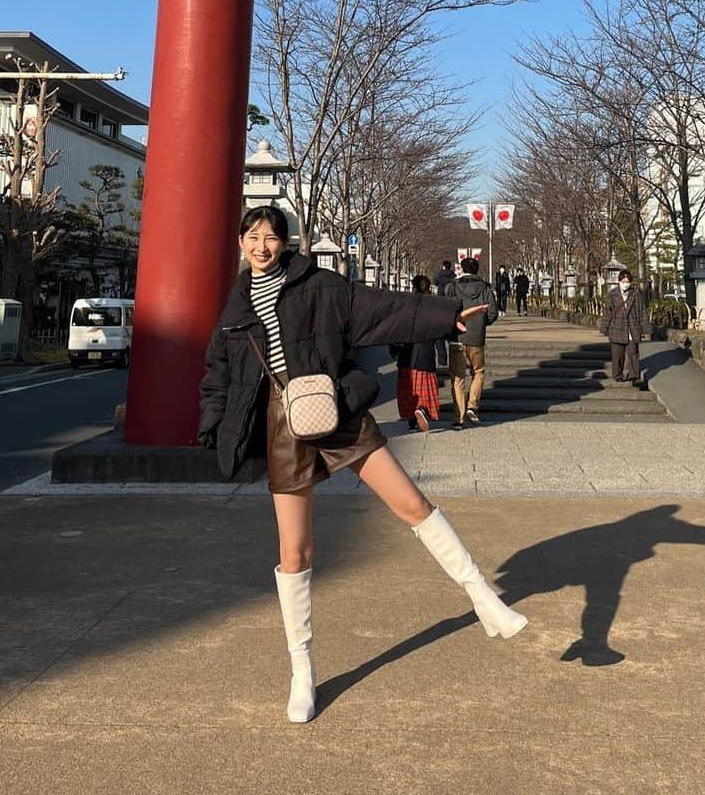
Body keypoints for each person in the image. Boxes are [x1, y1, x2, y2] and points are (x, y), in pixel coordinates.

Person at [198, 207, 527, 725]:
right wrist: (213, 426)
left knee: (412, 503)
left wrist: (445, 315)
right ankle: (301, 671)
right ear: (240, 241)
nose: (262, 247)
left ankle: (484, 598)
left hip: (337, 412)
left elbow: (379, 308)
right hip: (285, 427)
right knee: (295, 550)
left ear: (287, 243)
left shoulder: (320, 285)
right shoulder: (235, 307)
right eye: (253, 237)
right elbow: (218, 373)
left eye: (271, 238)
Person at [444, 256, 498, 428]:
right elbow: (493, 312)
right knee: (478, 372)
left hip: (456, 337)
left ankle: (458, 418)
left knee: (457, 378)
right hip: (476, 337)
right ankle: (472, 406)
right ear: (477, 269)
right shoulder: (485, 288)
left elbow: (445, 309)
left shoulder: (452, 286)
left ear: (462, 269)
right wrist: (481, 323)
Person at [391, 273, 445, 432]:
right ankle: (422, 409)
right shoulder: (433, 307)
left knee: (408, 388)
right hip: (425, 354)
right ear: (429, 287)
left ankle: (412, 421)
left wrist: (393, 349)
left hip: (406, 355)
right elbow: (438, 331)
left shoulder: (405, 306)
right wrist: (442, 354)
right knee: (425, 387)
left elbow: (395, 329)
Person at [599, 268, 648, 385]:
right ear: (619, 281)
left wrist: (645, 328)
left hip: (632, 326)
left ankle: (634, 375)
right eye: (624, 281)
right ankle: (618, 375)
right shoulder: (612, 294)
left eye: (628, 281)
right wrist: (604, 328)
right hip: (617, 326)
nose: (626, 284)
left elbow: (641, 311)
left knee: (633, 353)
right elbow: (608, 312)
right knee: (617, 354)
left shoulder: (635, 294)